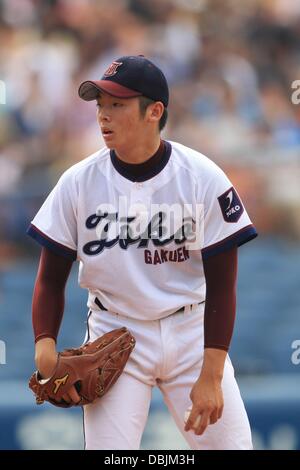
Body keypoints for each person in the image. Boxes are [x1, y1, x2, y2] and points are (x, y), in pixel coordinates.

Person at [27, 55, 257, 450]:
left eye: (117, 104)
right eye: (100, 105)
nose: (104, 115)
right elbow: (50, 278)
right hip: (115, 331)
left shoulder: (201, 177)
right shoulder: (78, 182)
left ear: (154, 111)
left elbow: (222, 285)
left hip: (190, 329)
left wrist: (211, 375)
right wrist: (44, 346)